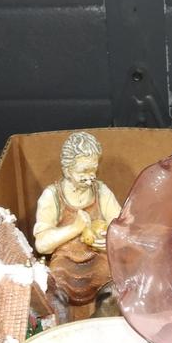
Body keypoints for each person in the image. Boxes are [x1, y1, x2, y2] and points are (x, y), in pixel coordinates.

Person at [32, 131, 120, 320]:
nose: (90, 177)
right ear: (67, 169)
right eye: (83, 171)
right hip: (64, 266)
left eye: (93, 170)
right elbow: (42, 244)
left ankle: (97, 330)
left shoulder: (101, 192)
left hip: (99, 261)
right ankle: (64, 332)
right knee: (53, 300)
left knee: (116, 293)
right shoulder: (52, 196)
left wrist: (110, 239)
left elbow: (123, 228)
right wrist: (75, 228)